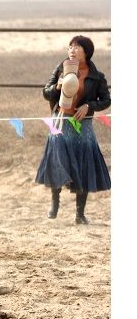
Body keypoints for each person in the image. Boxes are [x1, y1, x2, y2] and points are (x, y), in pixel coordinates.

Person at [36, 35, 111, 224]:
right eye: (70, 47)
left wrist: (89, 106)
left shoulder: (97, 76)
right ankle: (55, 202)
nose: (72, 50)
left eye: (77, 47)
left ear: (87, 52)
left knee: (83, 166)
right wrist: (56, 86)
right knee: (57, 161)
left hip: (82, 126)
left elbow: (106, 100)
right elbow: (46, 93)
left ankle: (80, 214)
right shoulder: (61, 69)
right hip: (60, 121)